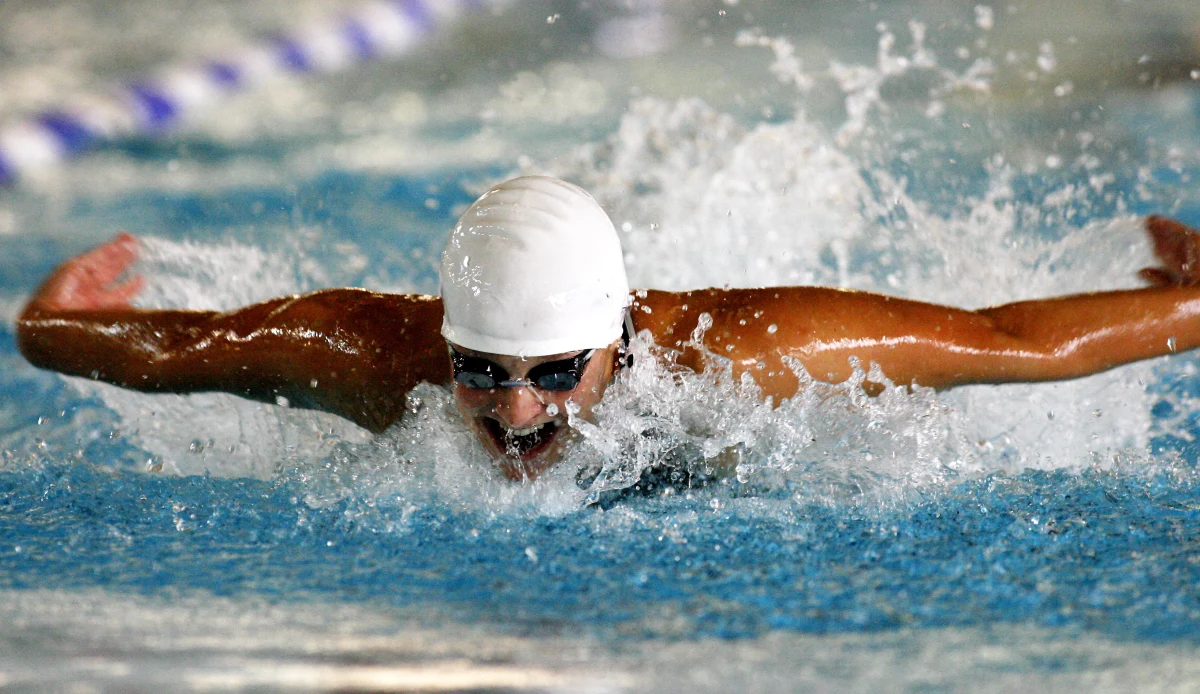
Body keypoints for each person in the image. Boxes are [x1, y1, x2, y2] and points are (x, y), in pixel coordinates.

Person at [17, 175, 1200, 481]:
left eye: (552, 376)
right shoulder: (375, 355)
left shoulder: (748, 359)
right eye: (479, 371)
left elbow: (1015, 341)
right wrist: (49, 328)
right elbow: (172, 352)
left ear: (620, 347)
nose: (512, 414)